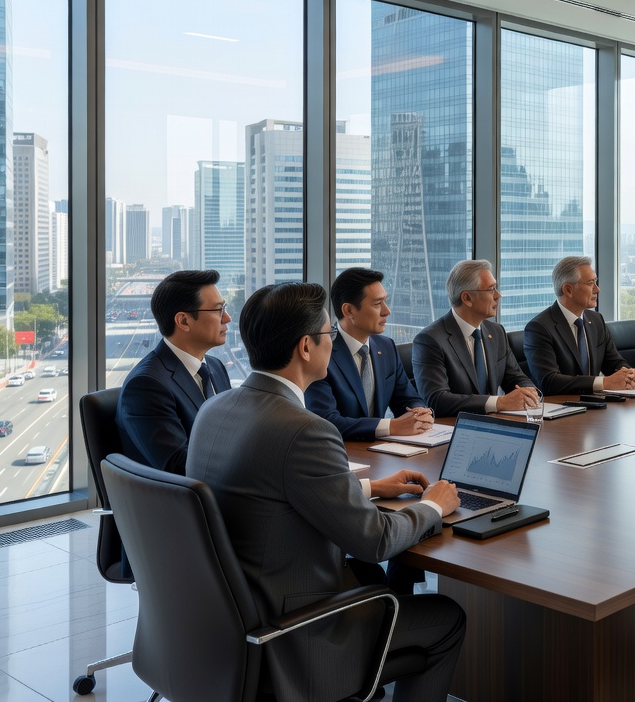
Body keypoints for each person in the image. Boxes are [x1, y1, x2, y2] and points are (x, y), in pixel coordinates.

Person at [186, 282, 464, 702]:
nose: (334, 344)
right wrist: (432, 506)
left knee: (377, 584)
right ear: (305, 347)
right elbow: (376, 541)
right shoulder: (305, 430)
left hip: (225, 620)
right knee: (446, 616)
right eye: (330, 334)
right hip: (295, 631)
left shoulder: (215, 408)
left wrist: (368, 486)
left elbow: (267, 488)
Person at [117, 269, 232, 475]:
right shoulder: (146, 385)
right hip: (182, 503)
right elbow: (180, 467)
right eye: (218, 311)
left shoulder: (215, 367)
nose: (227, 318)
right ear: (184, 321)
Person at [305, 267, 434, 441]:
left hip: (382, 452)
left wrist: (419, 411)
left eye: (385, 302)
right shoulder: (321, 354)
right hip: (343, 454)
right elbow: (327, 421)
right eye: (377, 304)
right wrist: (391, 426)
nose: (387, 311)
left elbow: (407, 398)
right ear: (349, 311)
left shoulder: (386, 347)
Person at [412, 260, 538, 418]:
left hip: (494, 424)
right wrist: (498, 402)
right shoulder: (430, 340)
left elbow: (516, 377)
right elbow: (437, 399)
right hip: (454, 430)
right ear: (467, 298)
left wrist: (529, 394)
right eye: (491, 290)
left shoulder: (496, 332)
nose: (498, 296)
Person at [522, 256, 635, 395]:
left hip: (595, 406)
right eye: (591, 283)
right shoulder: (539, 328)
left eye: (595, 282)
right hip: (561, 408)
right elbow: (549, 381)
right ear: (568, 290)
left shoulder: (596, 320)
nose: (597, 289)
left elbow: (614, 363)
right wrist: (604, 382)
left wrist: (628, 374)